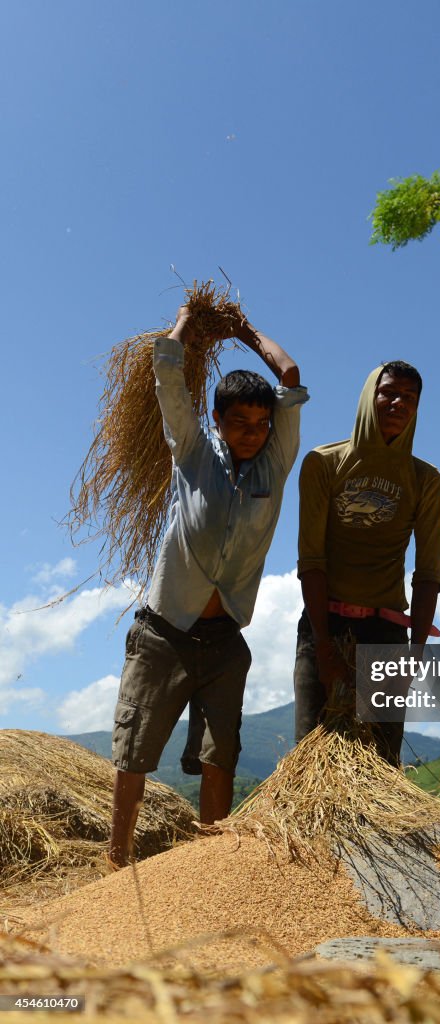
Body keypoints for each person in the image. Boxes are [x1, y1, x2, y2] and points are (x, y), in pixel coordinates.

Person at [108, 305, 308, 867]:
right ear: (217, 421)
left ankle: (208, 870)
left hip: (224, 642)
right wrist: (188, 322)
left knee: (222, 755)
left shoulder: (276, 465)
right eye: (240, 423)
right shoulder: (192, 453)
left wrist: (243, 331)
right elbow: (167, 367)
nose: (252, 434)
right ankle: (117, 859)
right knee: (135, 750)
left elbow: (289, 377)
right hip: (164, 632)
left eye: (261, 424)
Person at [293, 360, 440, 765]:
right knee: (310, 762)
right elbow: (311, 561)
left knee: (380, 764)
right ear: (368, 397)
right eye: (389, 393)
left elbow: (428, 574)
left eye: (409, 398)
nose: (398, 403)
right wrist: (324, 649)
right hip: (324, 624)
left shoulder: (426, 481)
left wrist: (414, 654)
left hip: (385, 634)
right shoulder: (324, 463)